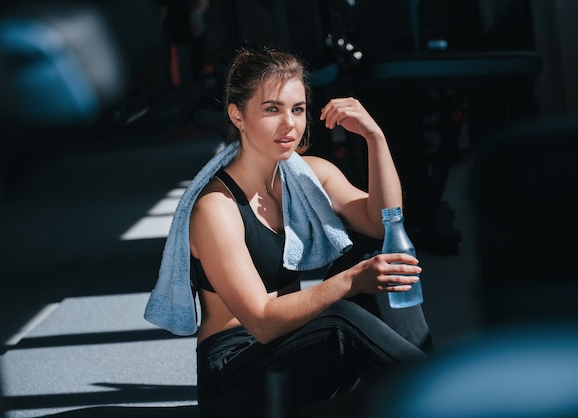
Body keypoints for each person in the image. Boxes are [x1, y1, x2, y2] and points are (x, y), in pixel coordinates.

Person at [145, 47, 430, 417]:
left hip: (291, 348)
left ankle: (435, 390)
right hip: (236, 377)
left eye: (297, 109)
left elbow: (384, 222)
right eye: (271, 109)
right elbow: (262, 321)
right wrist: (351, 281)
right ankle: (449, 393)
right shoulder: (216, 208)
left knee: (381, 260)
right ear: (238, 115)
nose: (289, 124)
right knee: (341, 317)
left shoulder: (308, 174)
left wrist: (375, 138)